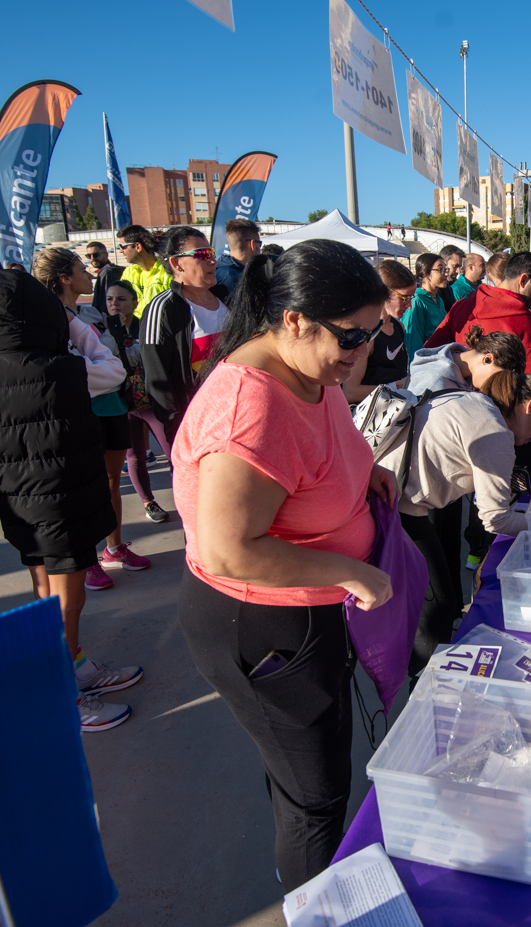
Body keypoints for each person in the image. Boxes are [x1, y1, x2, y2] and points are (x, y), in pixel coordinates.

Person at [172, 240, 398, 891]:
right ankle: (316, 909)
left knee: (306, 772)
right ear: (295, 319)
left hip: (305, 616)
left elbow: (319, 451)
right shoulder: (251, 407)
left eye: (372, 333)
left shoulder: (309, 370)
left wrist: (363, 474)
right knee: (315, 799)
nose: (362, 351)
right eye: (351, 336)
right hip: (265, 625)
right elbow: (227, 549)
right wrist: (349, 572)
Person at [0, 269, 142, 732]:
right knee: (67, 601)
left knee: (45, 595)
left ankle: (75, 666)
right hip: (65, 501)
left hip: (15, 506)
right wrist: (74, 326)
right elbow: (114, 369)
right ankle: (64, 695)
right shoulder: (65, 369)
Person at [380, 371, 531, 673]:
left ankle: (420, 669)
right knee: (437, 604)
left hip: (394, 494)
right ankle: (423, 680)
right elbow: (495, 519)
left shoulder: (476, 401)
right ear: (530, 406)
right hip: (397, 506)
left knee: (433, 600)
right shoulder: (496, 433)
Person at [33, 247, 152, 591]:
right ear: (64, 278)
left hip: (113, 404)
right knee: (81, 488)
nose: (89, 275)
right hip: (79, 411)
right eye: (80, 269)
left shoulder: (91, 312)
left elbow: (116, 356)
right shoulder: (48, 319)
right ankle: (86, 561)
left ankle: (114, 548)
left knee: (112, 482)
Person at [140, 226, 231, 460]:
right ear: (176, 263)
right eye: (202, 254)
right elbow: (158, 381)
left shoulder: (228, 300)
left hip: (237, 421)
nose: (212, 260)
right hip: (196, 431)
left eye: (211, 252)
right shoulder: (163, 309)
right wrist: (178, 434)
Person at [105, 279, 170, 524]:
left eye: (121, 299)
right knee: (134, 456)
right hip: (124, 403)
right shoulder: (100, 331)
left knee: (172, 451)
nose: (114, 304)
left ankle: (185, 496)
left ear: (134, 303)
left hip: (152, 400)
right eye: (110, 299)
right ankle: (148, 502)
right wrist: (113, 334)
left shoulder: (146, 327)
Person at [344, 258, 412, 404]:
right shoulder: (366, 333)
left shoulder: (398, 327)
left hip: (397, 410)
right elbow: (350, 392)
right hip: (370, 414)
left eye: (411, 298)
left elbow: (394, 372)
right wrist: (397, 387)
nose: (409, 305)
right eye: (404, 298)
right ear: (383, 292)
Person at [409, 326, 526, 395]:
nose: (494, 386)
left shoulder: (467, 378)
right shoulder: (433, 384)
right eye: (496, 379)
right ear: (487, 359)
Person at [117, 225, 174, 319]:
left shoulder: (167, 271)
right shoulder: (128, 273)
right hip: (134, 326)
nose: (120, 251)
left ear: (137, 246)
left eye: (123, 246)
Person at [403, 253, 449, 359]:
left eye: (446, 269)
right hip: (426, 362)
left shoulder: (438, 299)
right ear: (426, 274)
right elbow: (413, 341)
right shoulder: (417, 301)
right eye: (440, 269)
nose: (446, 274)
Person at [216, 218, 261, 295]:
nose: (260, 248)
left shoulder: (226, 270)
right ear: (253, 244)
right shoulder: (231, 275)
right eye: (259, 243)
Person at [84, 240, 123, 319]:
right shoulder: (110, 271)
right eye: (88, 256)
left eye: (96, 255)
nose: (92, 258)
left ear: (106, 255)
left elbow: (105, 303)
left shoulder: (106, 273)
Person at [436, 244, 465, 312]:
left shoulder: (449, 286)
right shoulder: (434, 290)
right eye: (455, 266)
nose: (458, 271)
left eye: (459, 267)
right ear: (443, 262)